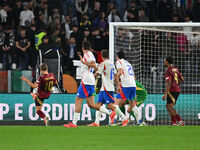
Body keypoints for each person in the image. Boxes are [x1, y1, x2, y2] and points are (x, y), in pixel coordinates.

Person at [63, 41, 114, 128]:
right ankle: (109, 113)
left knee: (78, 100)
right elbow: (95, 66)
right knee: (91, 104)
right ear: (89, 47)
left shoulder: (87, 55)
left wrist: (83, 62)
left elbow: (94, 65)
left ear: (83, 48)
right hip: (89, 81)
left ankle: (74, 123)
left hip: (86, 81)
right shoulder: (90, 54)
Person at [87, 50, 129, 127]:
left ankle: (124, 118)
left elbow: (97, 73)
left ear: (101, 56)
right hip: (105, 88)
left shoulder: (103, 64)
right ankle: (96, 122)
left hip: (107, 88)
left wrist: (89, 77)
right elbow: (116, 75)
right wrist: (118, 85)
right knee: (99, 104)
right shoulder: (112, 64)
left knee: (110, 105)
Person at [114, 51, 143, 125]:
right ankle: (139, 122)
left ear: (117, 56)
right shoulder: (128, 63)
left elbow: (120, 72)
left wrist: (117, 83)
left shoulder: (118, 62)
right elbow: (133, 76)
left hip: (126, 85)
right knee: (133, 105)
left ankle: (124, 118)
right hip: (133, 84)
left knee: (115, 104)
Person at [162, 56, 184, 126]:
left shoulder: (168, 71)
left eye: (164, 61)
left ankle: (180, 121)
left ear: (167, 62)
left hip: (172, 90)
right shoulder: (175, 69)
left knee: (170, 107)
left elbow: (169, 83)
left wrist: (165, 94)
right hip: (176, 90)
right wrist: (177, 83)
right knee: (168, 107)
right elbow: (182, 79)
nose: (163, 62)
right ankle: (174, 123)